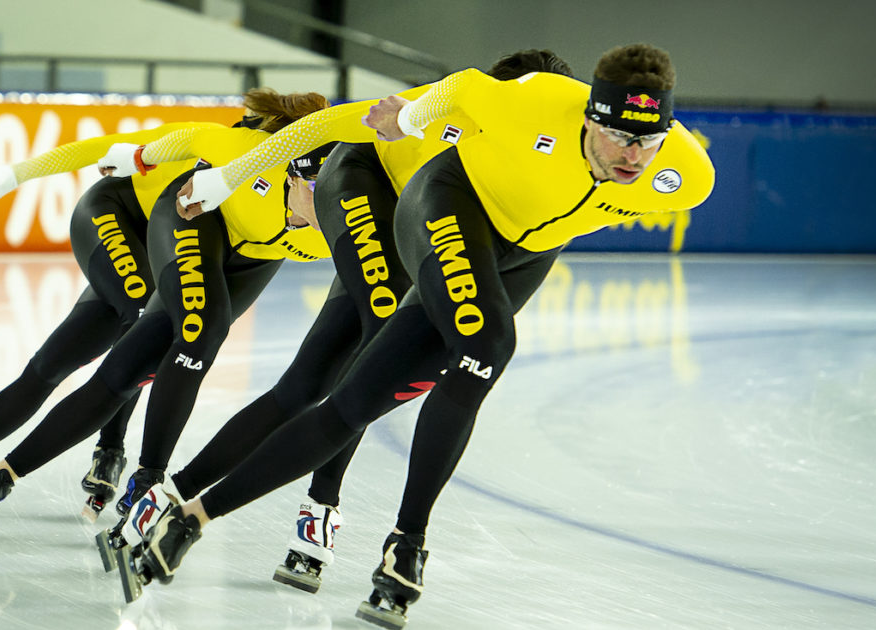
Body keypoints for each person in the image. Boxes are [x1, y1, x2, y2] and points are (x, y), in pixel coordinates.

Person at [132, 43, 715, 628]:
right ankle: (353, 519)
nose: (633, 156)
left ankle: (193, 517)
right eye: (619, 136)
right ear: (587, 115)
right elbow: (405, 101)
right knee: (479, 343)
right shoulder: (523, 103)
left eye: (647, 141)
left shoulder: (685, 175)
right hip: (429, 199)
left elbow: (611, 179)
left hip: (518, 250)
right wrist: (237, 173)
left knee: (362, 394)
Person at [100, 49, 573, 595]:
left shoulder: (561, 162)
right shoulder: (459, 107)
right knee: (373, 349)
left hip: (422, 230)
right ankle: (321, 506)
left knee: (307, 385)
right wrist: (230, 175)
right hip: (363, 183)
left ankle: (174, 495)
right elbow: (326, 124)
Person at [0, 89, 321, 523]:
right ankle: (109, 448)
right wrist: (17, 172)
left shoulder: (315, 213)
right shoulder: (228, 145)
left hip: (195, 250)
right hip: (118, 214)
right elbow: (104, 147)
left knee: (63, 360)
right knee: (135, 319)